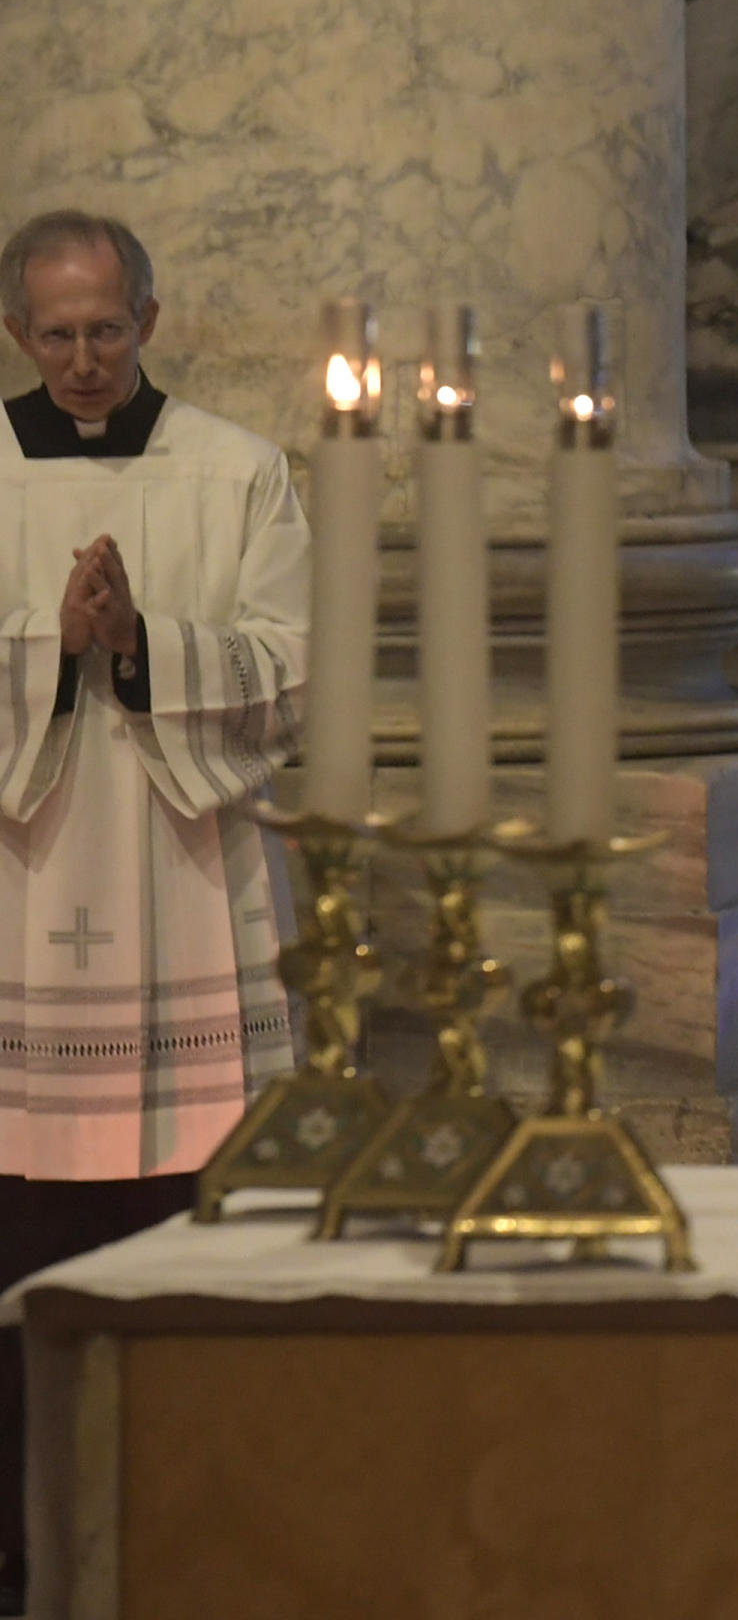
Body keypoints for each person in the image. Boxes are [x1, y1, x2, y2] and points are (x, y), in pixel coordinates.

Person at [0, 212, 309, 1613]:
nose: (82, 359)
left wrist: (141, 645)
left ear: (151, 318)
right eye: (56, 333)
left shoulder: (240, 472)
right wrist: (48, 652)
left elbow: (287, 679)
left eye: (106, 330)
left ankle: (213, 1534)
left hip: (180, 890)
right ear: (18, 332)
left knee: (195, 1232)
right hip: (27, 896)